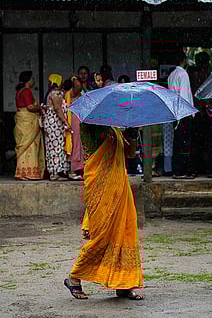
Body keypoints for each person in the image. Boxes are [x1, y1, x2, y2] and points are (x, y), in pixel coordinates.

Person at [64, 125, 143, 300]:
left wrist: (132, 134)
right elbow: (98, 149)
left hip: (120, 188)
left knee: (126, 234)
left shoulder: (115, 129)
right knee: (101, 237)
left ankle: (124, 284)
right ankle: (74, 277)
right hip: (100, 188)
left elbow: (129, 154)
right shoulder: (88, 126)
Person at [14, 71, 45, 180]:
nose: (34, 81)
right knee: (29, 146)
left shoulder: (19, 91)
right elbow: (30, 107)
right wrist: (40, 108)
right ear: (28, 80)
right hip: (28, 121)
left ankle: (22, 172)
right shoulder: (26, 91)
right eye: (32, 79)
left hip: (22, 120)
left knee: (24, 146)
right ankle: (27, 173)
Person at [168, 51, 195, 179]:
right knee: (185, 143)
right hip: (184, 112)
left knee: (178, 142)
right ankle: (185, 170)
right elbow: (184, 94)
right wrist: (189, 112)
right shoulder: (183, 74)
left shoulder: (171, 75)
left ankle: (177, 170)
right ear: (183, 60)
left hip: (175, 112)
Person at [44, 74, 71, 181]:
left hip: (52, 124)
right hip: (55, 125)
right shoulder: (56, 94)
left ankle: (56, 171)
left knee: (53, 147)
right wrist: (66, 122)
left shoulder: (51, 93)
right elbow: (57, 109)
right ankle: (54, 173)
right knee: (56, 147)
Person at [64, 76, 84, 180]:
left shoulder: (76, 93)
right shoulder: (70, 94)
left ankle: (74, 169)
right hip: (73, 120)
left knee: (76, 144)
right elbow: (78, 86)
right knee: (74, 144)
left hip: (77, 120)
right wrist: (74, 78)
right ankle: (72, 170)